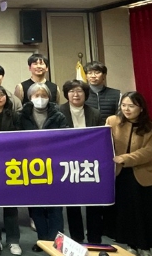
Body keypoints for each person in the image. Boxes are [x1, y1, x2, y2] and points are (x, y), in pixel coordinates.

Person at [17, 82, 67, 251]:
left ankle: (56, 243)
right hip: (30, 167)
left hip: (53, 166)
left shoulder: (58, 115)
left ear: (49, 97)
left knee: (55, 207)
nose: (40, 98)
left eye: (43, 95)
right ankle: (42, 241)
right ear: (30, 97)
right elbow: (15, 140)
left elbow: (66, 138)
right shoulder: (21, 116)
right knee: (36, 206)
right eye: (36, 95)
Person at [105, 91, 152, 256]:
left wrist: (125, 158)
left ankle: (145, 246)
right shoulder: (112, 121)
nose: (126, 109)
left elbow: (148, 152)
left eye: (131, 106)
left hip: (142, 174)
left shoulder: (149, 127)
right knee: (126, 212)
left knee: (143, 212)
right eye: (123, 105)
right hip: (119, 174)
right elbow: (103, 141)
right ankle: (131, 244)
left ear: (141, 108)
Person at [58, 80, 102, 243]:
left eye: (79, 91)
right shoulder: (58, 111)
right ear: (66, 94)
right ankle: (77, 238)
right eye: (71, 91)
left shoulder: (95, 113)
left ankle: (95, 239)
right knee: (72, 202)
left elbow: (101, 137)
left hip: (90, 162)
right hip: (67, 162)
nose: (75, 95)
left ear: (85, 94)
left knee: (93, 201)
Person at [0, 85, 21, 255]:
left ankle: (13, 240)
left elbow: (21, 137)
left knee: (10, 204)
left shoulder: (14, 115)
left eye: (2, 94)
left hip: (10, 164)